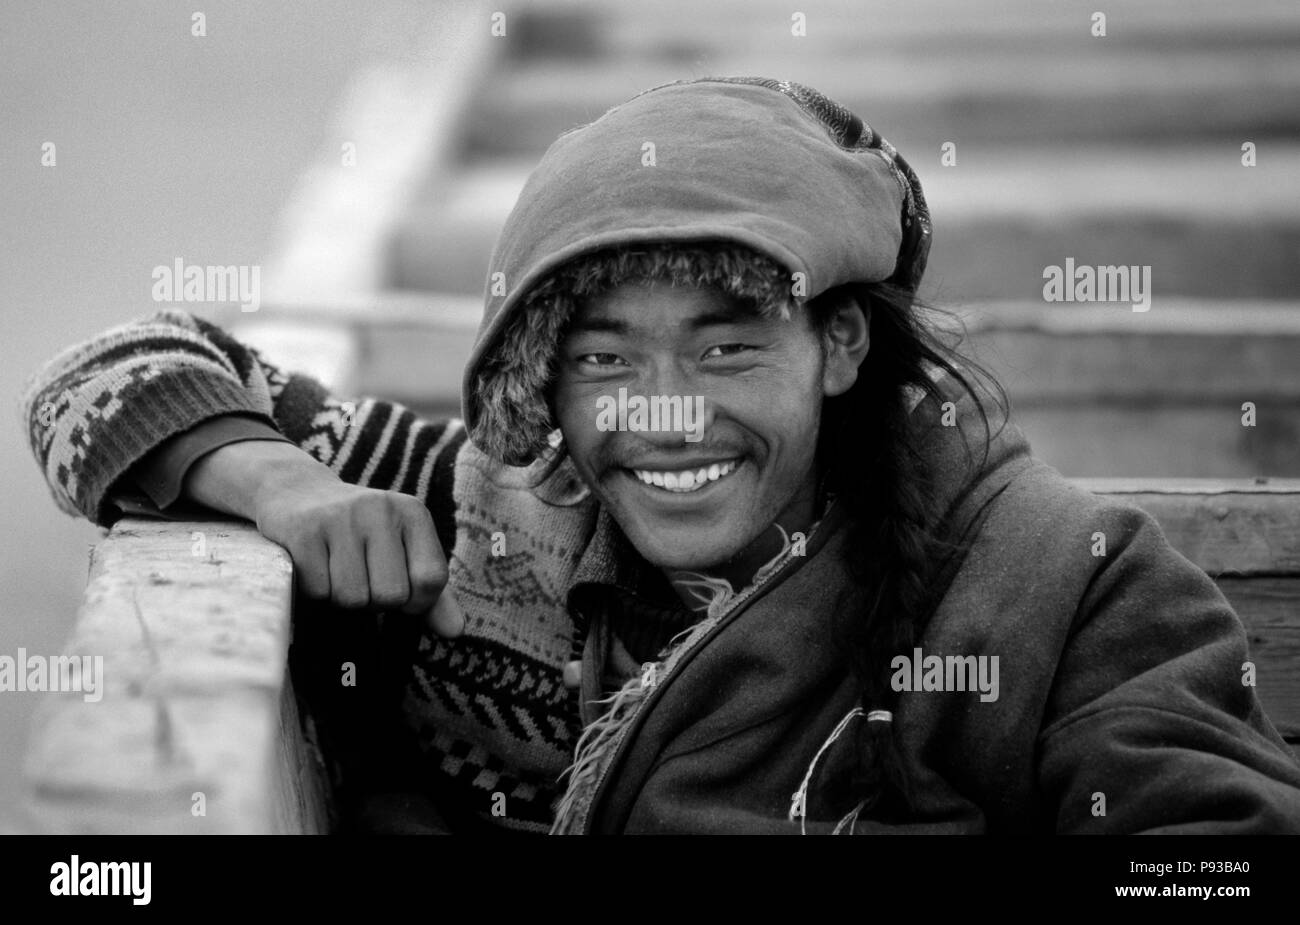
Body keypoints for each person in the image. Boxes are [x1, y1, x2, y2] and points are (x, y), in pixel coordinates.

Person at [21, 77, 1300, 834]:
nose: (665, 416)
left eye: (726, 348)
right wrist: (282, 483)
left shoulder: (1057, 583)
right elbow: (105, 371)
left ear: (840, 345)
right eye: (605, 360)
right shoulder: (480, 513)